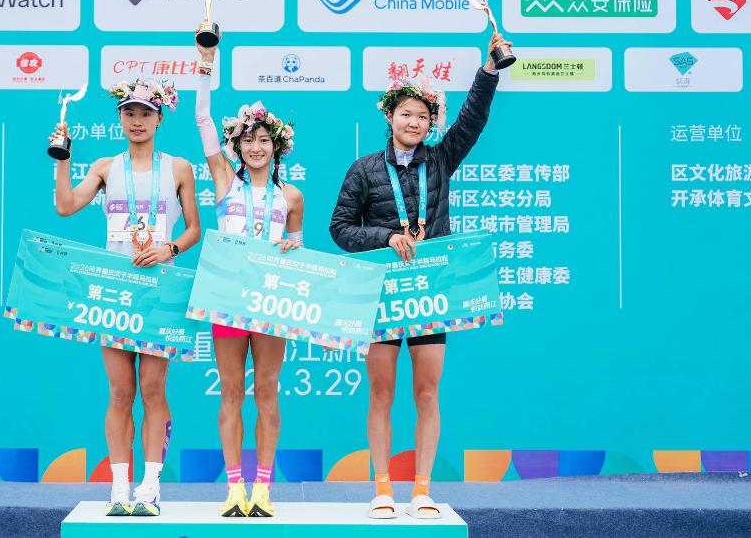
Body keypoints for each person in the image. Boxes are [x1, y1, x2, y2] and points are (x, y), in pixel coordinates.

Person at [329, 33, 512, 520]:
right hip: (383, 294)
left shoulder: (441, 159)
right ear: (389, 117)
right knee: (381, 393)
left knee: (428, 392)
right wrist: (386, 237)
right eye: (406, 113)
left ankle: (423, 489)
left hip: (432, 291)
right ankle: (383, 487)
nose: (414, 122)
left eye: (423, 116)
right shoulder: (364, 170)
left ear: (432, 122)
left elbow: (473, 119)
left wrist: (488, 71)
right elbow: (340, 229)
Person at [49, 77, 202, 517]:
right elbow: (64, 206)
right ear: (120, 118)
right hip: (113, 291)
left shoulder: (178, 168)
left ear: (159, 119)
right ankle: (119, 487)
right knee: (120, 392)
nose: (137, 121)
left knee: (153, 389)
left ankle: (150, 487)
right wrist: (63, 159)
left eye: (145, 114)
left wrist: (169, 249)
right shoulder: (104, 167)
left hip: (159, 289)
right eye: (129, 113)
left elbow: (193, 228)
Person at [194, 31, 304, 518]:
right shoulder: (224, 180)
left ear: (276, 146)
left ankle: (263, 487)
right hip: (227, 299)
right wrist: (205, 63)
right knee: (232, 391)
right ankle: (234, 488)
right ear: (236, 145)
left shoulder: (292, 196)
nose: (256, 147)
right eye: (248, 140)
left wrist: (292, 250)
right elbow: (202, 119)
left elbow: (298, 251)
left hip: (273, 301)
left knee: (268, 392)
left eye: (264, 140)